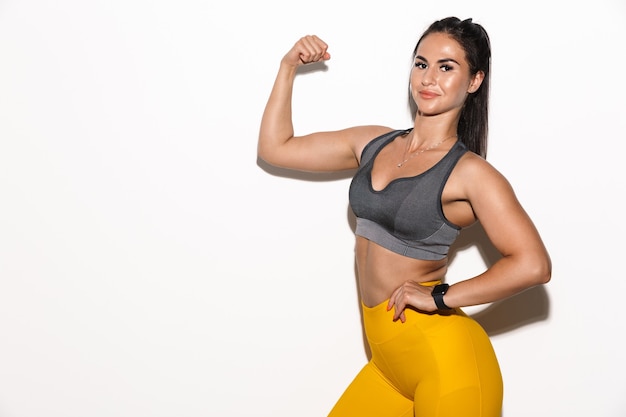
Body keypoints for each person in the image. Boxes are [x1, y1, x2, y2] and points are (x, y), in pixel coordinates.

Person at [257, 16, 551, 417]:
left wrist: (440, 295)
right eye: (421, 63)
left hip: (450, 365)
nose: (429, 77)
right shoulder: (373, 143)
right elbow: (277, 148)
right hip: (388, 367)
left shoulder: (470, 174)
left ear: (474, 81)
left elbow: (533, 264)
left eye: (447, 67)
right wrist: (287, 66)